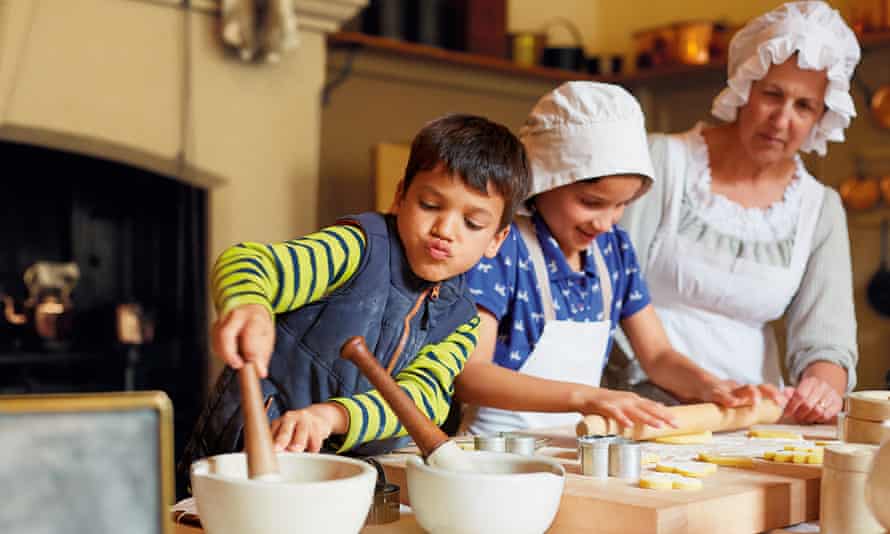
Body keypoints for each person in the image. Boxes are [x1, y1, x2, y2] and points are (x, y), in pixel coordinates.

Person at [179, 114, 530, 475]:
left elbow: (420, 401)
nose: (444, 229)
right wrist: (249, 304)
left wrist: (332, 417)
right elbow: (250, 261)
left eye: (472, 223)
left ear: (496, 240)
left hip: (349, 475)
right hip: (242, 456)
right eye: (429, 205)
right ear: (400, 197)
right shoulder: (356, 248)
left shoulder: (462, 322)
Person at [455, 82, 770, 437]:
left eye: (621, 205)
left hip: (581, 448)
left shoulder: (613, 250)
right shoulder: (501, 246)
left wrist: (710, 386)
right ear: (544, 179)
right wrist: (587, 397)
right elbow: (472, 375)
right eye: (591, 202)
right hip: (494, 451)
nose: (605, 222)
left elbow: (658, 357)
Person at [609, 1, 860, 424]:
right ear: (745, 87)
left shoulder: (820, 210)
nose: (782, 120)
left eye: (804, 106)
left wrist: (822, 388)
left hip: (750, 419)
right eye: (772, 94)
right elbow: (605, 295)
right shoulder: (660, 162)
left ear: (822, 116)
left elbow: (826, 345)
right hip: (637, 409)